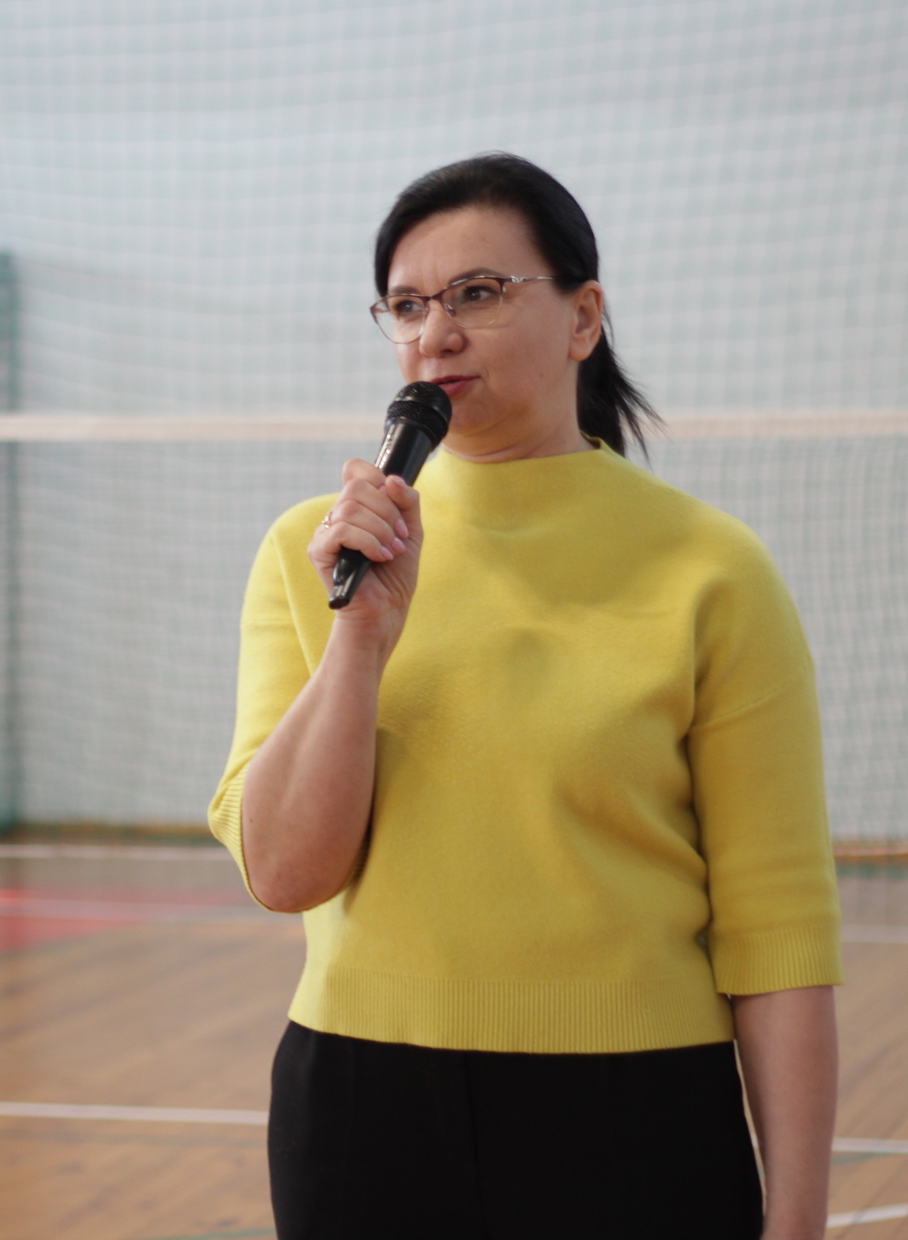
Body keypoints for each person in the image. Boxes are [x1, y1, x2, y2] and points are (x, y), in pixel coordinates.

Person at [209, 154, 841, 1240]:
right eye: (407, 305)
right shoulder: (316, 554)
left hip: (633, 1112)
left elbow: (776, 932)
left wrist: (796, 1223)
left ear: (583, 317)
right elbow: (283, 872)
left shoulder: (710, 569)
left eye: (477, 293)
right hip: (363, 1107)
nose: (435, 334)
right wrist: (360, 638)